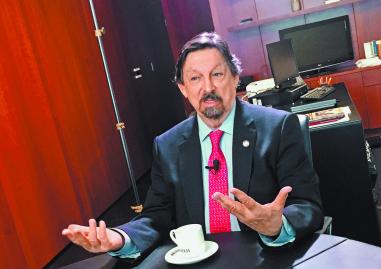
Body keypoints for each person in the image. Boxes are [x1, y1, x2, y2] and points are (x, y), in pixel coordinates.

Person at [62, 32, 324, 259]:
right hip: (198, 261)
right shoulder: (168, 145)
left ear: (235, 78)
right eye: (195, 78)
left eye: (217, 74)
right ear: (183, 88)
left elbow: (307, 206)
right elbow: (156, 216)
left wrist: (277, 225)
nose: (207, 87)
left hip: (265, 255)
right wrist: (119, 239)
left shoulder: (279, 128)